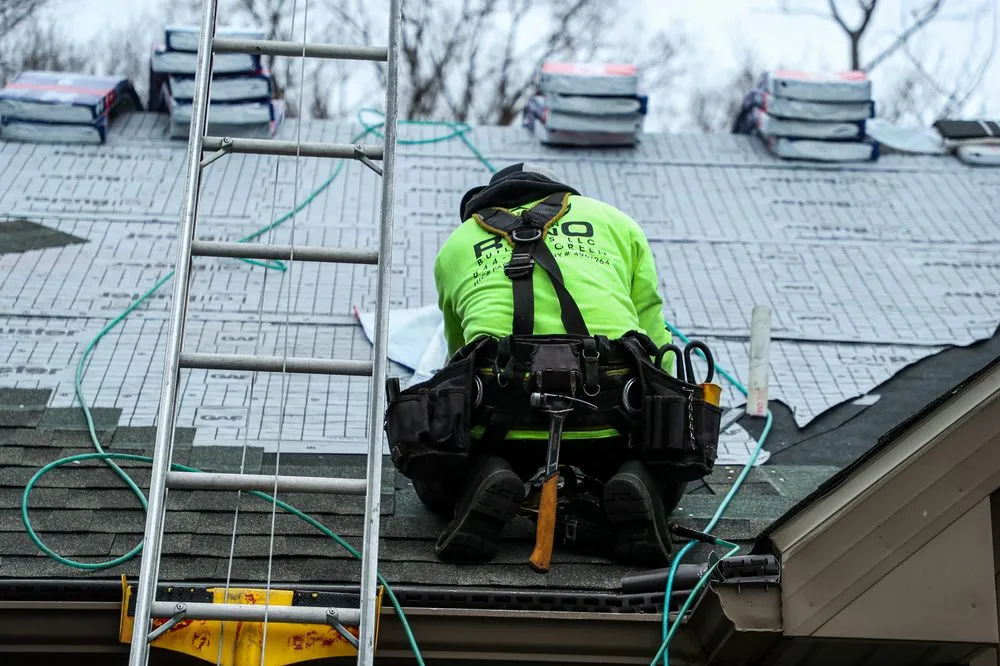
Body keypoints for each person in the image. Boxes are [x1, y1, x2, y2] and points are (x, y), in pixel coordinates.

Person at [385, 163, 715, 568]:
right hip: (612, 413)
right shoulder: (615, 222)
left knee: (436, 470)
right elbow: (656, 344)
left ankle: (484, 474)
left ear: (488, 200)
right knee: (666, 455)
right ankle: (636, 478)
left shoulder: (457, 245)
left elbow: (459, 358)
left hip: (499, 418)